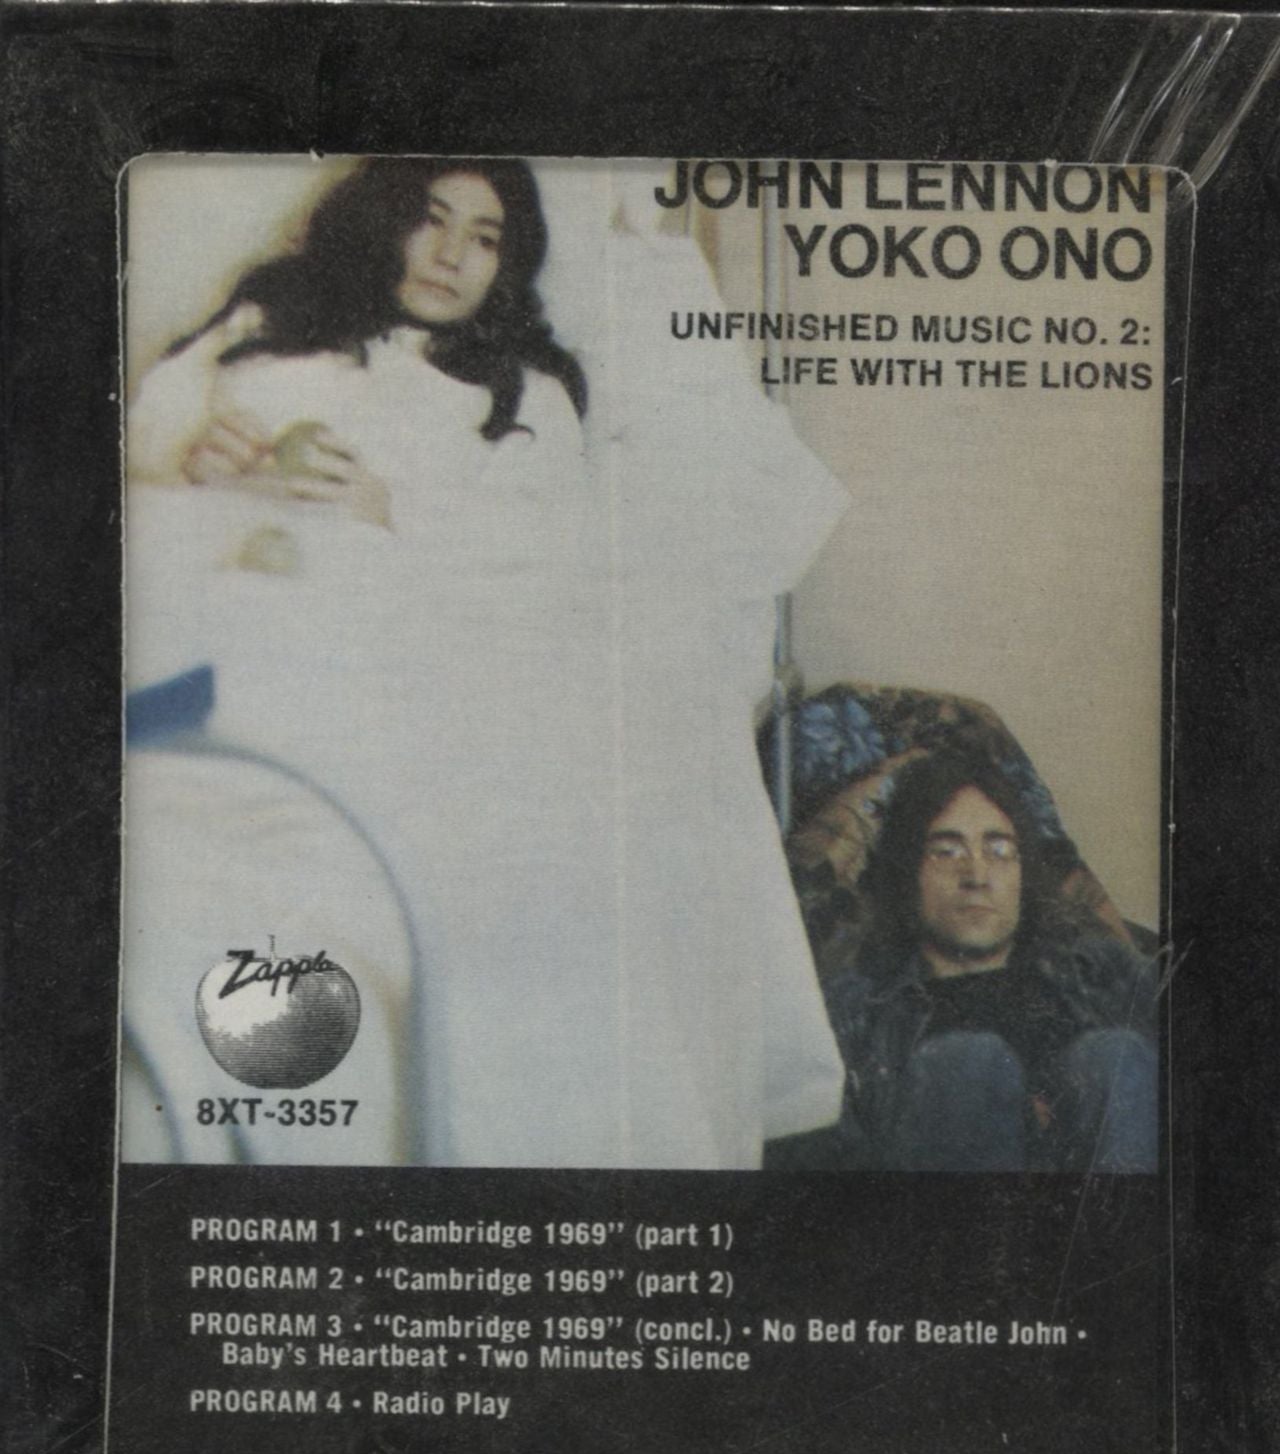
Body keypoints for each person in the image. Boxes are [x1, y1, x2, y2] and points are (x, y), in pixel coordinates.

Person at [124, 156, 848, 1168]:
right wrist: (193, 454)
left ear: (509, 265)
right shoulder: (267, 319)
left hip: (397, 610)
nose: (451, 253)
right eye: (431, 219)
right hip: (225, 567)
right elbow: (145, 433)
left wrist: (390, 513)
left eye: (485, 237)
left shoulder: (523, 391)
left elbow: (539, 561)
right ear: (381, 219)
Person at [765, 750, 1158, 1172]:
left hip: (1094, 1200)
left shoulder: (1099, 972)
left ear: (1023, 873)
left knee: (1114, 1056)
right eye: (947, 851)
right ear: (908, 871)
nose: (977, 876)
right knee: (968, 1063)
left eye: (1000, 850)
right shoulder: (857, 1010)